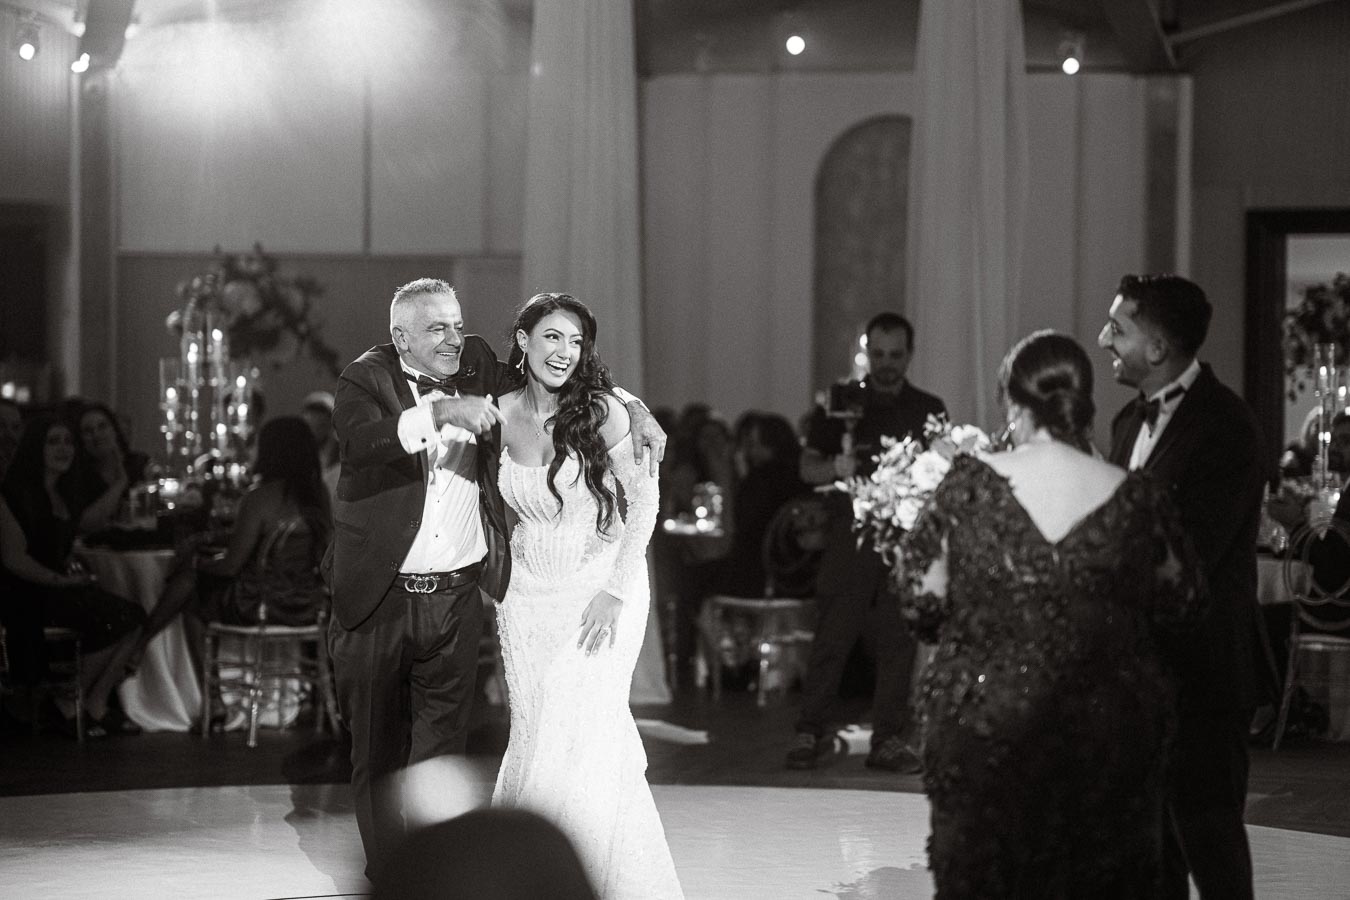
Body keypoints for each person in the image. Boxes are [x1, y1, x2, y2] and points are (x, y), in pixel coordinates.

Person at [324, 278, 665, 883]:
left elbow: (566, 377)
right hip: (381, 598)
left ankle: (446, 877)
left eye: (458, 324)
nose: (456, 338)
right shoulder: (364, 379)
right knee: (376, 752)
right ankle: (391, 880)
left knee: (441, 756)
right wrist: (437, 412)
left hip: (458, 598)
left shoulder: (477, 360)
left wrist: (635, 406)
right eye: (438, 329)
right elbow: (358, 444)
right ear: (401, 337)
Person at [898, 330, 1206, 897]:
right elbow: (1182, 605)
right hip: (1108, 729)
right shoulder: (1137, 495)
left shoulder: (969, 487)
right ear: (1082, 403)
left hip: (990, 732)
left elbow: (920, 603)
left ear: (1013, 404)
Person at [491, 292, 682, 899]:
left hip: (602, 584)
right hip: (523, 597)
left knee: (584, 731)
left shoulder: (604, 410)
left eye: (575, 342)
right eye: (552, 337)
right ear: (523, 341)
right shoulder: (496, 411)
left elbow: (645, 502)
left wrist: (615, 591)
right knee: (535, 730)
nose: (564, 353)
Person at [1099, 273, 1266, 900]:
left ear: (1160, 346)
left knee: (1211, 840)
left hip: (1201, 675)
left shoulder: (1227, 428)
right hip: (1136, 678)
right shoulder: (1124, 424)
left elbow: (1188, 557)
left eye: (1118, 329)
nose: (1104, 340)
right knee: (1148, 852)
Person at [787, 312, 945, 772]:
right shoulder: (840, 402)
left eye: (895, 355)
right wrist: (834, 469)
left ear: (909, 355)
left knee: (900, 640)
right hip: (849, 537)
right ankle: (809, 729)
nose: (887, 364)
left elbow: (941, 473)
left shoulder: (928, 407)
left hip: (903, 538)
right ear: (867, 353)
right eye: (879, 354)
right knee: (834, 634)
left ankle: (889, 739)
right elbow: (807, 469)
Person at [141, 416, 333, 666]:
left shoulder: (259, 498)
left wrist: (198, 563)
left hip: (262, 606)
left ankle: (207, 689)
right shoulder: (318, 495)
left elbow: (231, 565)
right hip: (309, 605)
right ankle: (140, 646)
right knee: (192, 583)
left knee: (190, 590)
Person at [0, 415, 147, 738]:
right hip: (24, 590)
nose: (63, 449)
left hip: (56, 586)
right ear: (36, 447)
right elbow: (13, 558)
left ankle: (93, 701)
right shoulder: (15, 492)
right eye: (53, 441)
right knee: (112, 621)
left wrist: (70, 569)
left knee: (135, 619)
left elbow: (79, 530)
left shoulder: (66, 493)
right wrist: (61, 580)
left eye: (68, 442)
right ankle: (66, 699)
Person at [70, 401, 150, 510]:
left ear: (114, 430)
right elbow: (86, 524)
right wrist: (121, 482)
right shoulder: (79, 477)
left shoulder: (139, 464)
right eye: (88, 431)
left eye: (102, 427)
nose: (96, 435)